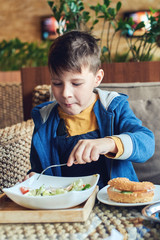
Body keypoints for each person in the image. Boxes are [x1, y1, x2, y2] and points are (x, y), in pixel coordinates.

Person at [26, 30, 155, 188]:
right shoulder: (44, 119)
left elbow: (146, 142)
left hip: (113, 200)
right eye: (57, 83)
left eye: (76, 83)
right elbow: (40, 170)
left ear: (97, 78)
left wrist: (108, 143)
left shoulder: (113, 107)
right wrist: (33, 179)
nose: (66, 94)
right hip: (66, 205)